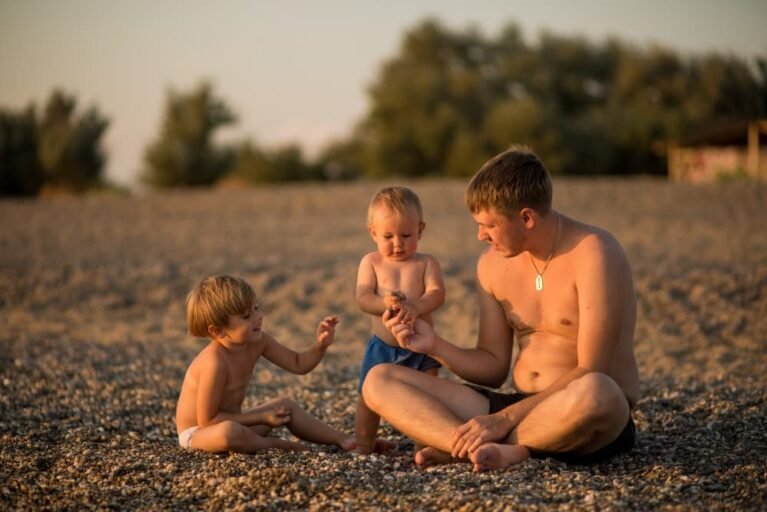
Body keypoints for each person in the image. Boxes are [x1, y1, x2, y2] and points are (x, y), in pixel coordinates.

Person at [362, 146, 639, 471]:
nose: (481, 235)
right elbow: (493, 369)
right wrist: (433, 346)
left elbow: (592, 368)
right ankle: (479, 446)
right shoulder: (492, 265)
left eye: (489, 225)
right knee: (379, 379)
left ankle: (475, 448)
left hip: (579, 409)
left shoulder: (595, 253)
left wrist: (502, 421)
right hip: (518, 407)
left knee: (597, 392)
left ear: (527, 218)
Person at [175, 274, 355, 453]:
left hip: (236, 422)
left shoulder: (258, 342)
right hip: (199, 433)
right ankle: (273, 444)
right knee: (229, 432)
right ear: (217, 331)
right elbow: (208, 420)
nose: (259, 316)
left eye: (256, 308)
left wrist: (320, 346)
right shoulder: (214, 362)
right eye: (246, 316)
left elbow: (298, 364)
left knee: (284, 406)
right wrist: (261, 417)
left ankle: (344, 439)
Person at [354, 186, 446, 454]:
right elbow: (363, 298)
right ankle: (364, 444)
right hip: (383, 346)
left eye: (406, 235)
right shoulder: (371, 262)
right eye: (388, 236)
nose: (397, 243)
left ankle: (425, 445)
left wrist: (417, 306)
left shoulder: (426, 262)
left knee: (429, 397)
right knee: (367, 397)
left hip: (422, 347)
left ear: (421, 229)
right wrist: (383, 303)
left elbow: (437, 294)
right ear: (373, 232)